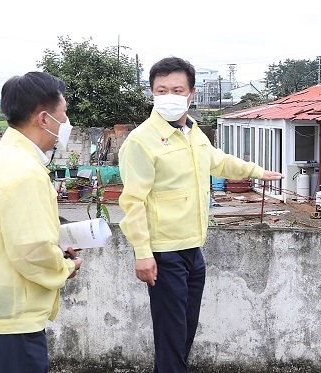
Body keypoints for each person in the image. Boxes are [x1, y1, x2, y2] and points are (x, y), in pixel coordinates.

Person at [118, 57, 284, 373]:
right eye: (161, 90)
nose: (169, 96)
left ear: (191, 93)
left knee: (183, 335)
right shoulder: (141, 141)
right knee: (171, 338)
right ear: (152, 92)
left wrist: (256, 171)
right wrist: (143, 254)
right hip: (164, 254)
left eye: (176, 89)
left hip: (193, 250)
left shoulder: (193, 131)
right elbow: (133, 202)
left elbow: (217, 161)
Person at [0, 71, 83, 372]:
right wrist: (66, 266)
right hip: (6, 327)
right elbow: (32, 252)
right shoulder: (26, 173)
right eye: (65, 114)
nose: (67, 124)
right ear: (45, 119)